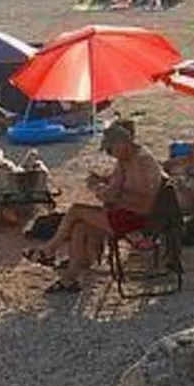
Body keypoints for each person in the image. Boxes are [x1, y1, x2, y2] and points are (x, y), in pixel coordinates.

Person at [24, 120, 164, 293]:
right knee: (79, 227)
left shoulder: (142, 162)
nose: (110, 154)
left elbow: (143, 202)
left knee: (76, 210)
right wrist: (103, 186)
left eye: (111, 149)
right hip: (124, 212)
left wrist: (105, 191)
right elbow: (115, 189)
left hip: (137, 218)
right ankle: (70, 278)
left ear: (123, 144)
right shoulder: (125, 160)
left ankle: (49, 250)